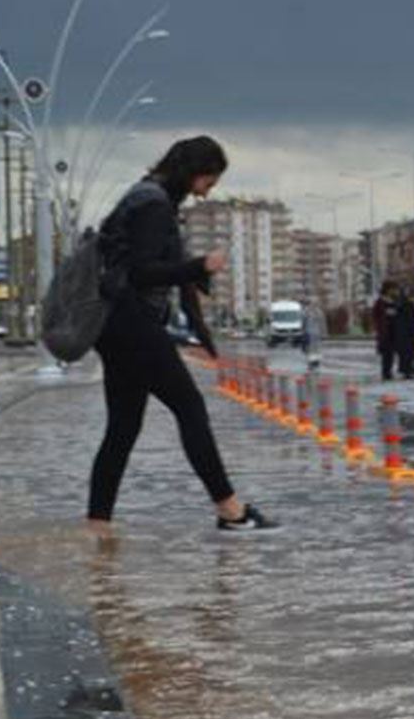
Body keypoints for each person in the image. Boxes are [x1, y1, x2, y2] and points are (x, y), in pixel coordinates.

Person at [87, 136, 278, 533]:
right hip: (132, 322)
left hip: (116, 324)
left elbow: (157, 268)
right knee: (189, 407)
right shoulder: (154, 205)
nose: (207, 191)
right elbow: (143, 272)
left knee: (123, 426)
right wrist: (200, 265)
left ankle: (97, 524)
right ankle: (230, 509)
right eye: (209, 180)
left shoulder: (148, 198)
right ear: (193, 172)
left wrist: (199, 320)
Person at [372, 280, 401, 380]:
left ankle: (389, 371)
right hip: (385, 332)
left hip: (394, 330)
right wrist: (380, 328)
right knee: (386, 354)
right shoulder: (380, 302)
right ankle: (386, 373)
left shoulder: (395, 301)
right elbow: (376, 316)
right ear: (388, 290)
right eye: (393, 289)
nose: (395, 291)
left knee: (392, 353)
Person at [393, 283, 414, 379]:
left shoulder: (397, 305)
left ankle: (405, 370)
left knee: (405, 353)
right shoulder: (407, 305)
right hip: (407, 332)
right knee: (408, 353)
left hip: (402, 333)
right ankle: (407, 370)